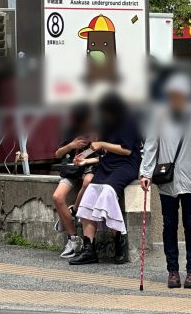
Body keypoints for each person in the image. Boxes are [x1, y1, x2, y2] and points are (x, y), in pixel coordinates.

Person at [139, 74, 191, 289]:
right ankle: (172, 270)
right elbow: (151, 147)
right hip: (167, 180)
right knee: (169, 225)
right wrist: (145, 173)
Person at [70, 92, 142, 267]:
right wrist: (84, 157)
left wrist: (102, 144)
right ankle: (89, 248)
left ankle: (119, 242)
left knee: (108, 192)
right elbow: (102, 150)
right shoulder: (106, 125)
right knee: (89, 195)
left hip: (126, 165)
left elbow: (125, 150)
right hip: (107, 164)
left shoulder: (129, 122)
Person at [54, 103, 94, 259]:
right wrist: (71, 145)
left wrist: (85, 155)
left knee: (88, 182)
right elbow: (57, 154)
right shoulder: (70, 130)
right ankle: (73, 239)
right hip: (71, 169)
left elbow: (99, 149)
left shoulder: (97, 128)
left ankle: (74, 210)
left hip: (88, 167)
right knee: (57, 197)